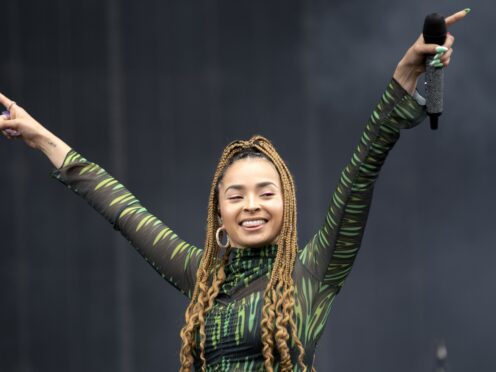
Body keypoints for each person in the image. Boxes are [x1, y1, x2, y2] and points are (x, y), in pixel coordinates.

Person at [0, 9, 469, 372]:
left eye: (266, 192)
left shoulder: (314, 272)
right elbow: (122, 209)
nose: (251, 206)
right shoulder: (202, 275)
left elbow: (361, 170)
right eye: (236, 195)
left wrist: (406, 76)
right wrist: (39, 137)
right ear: (218, 212)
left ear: (286, 203)